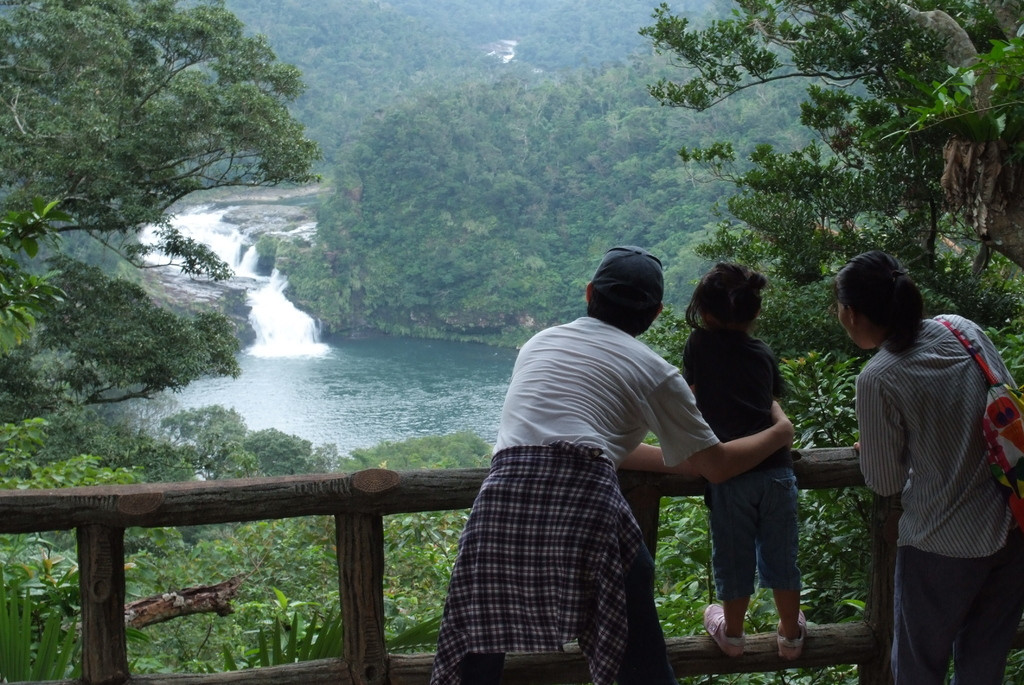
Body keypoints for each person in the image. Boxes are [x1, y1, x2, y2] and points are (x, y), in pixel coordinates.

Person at [429, 246, 794, 685]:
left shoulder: (539, 343)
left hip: (501, 498)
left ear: (589, 293)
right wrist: (781, 432)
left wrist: (685, 462)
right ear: (656, 313)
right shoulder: (656, 373)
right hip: (588, 499)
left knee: (475, 648)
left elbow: (579, 441)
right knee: (639, 658)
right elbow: (714, 466)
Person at [835, 250, 1024, 684]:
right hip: (1012, 528)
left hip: (942, 544)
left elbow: (884, 481)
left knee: (918, 669)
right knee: (983, 668)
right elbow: (1007, 409)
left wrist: (879, 447)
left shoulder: (878, 377)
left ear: (852, 313)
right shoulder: (961, 329)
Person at [682, 263, 804, 660]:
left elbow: (690, 396)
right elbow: (769, 401)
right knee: (782, 554)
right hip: (777, 470)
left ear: (706, 314)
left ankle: (733, 635)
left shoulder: (699, 344)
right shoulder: (763, 352)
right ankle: (790, 635)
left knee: (733, 556)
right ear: (755, 311)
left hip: (730, 472)